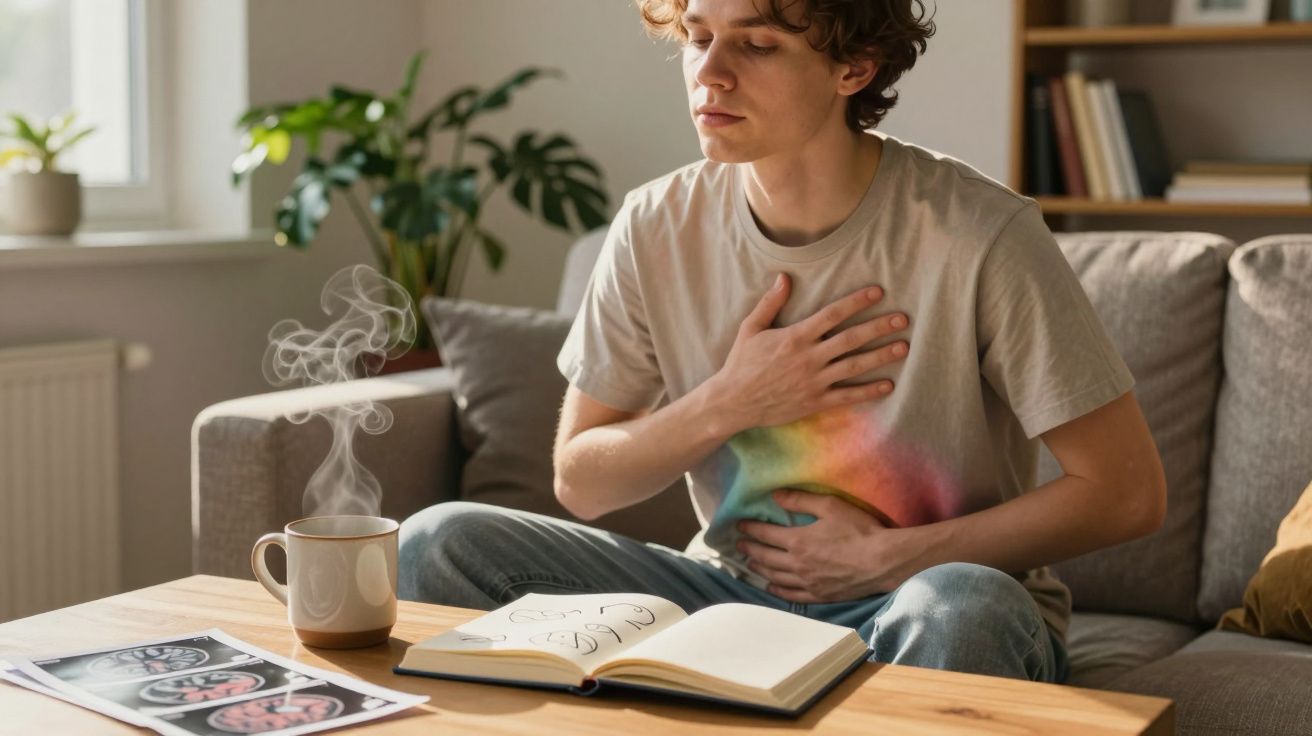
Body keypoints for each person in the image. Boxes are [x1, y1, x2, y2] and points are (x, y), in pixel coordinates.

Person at [399, 0, 1168, 685]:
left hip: (922, 601)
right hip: (729, 600)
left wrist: (892, 557)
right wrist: (729, 402)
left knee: (962, 604)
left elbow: (1126, 493)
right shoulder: (653, 225)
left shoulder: (978, 232)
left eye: (756, 45)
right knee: (440, 543)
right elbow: (582, 480)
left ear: (853, 68)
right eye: (697, 38)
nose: (710, 73)